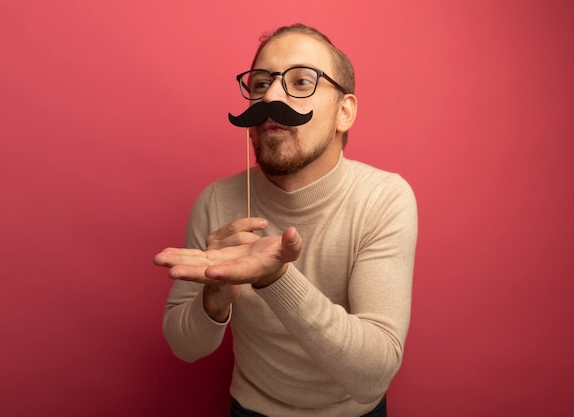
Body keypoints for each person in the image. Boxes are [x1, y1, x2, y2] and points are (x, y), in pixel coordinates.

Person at [154, 23, 418, 417]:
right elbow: (184, 347)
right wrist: (214, 297)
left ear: (344, 112)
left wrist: (274, 277)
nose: (271, 96)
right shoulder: (217, 201)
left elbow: (373, 375)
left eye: (300, 81)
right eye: (260, 84)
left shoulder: (384, 198)